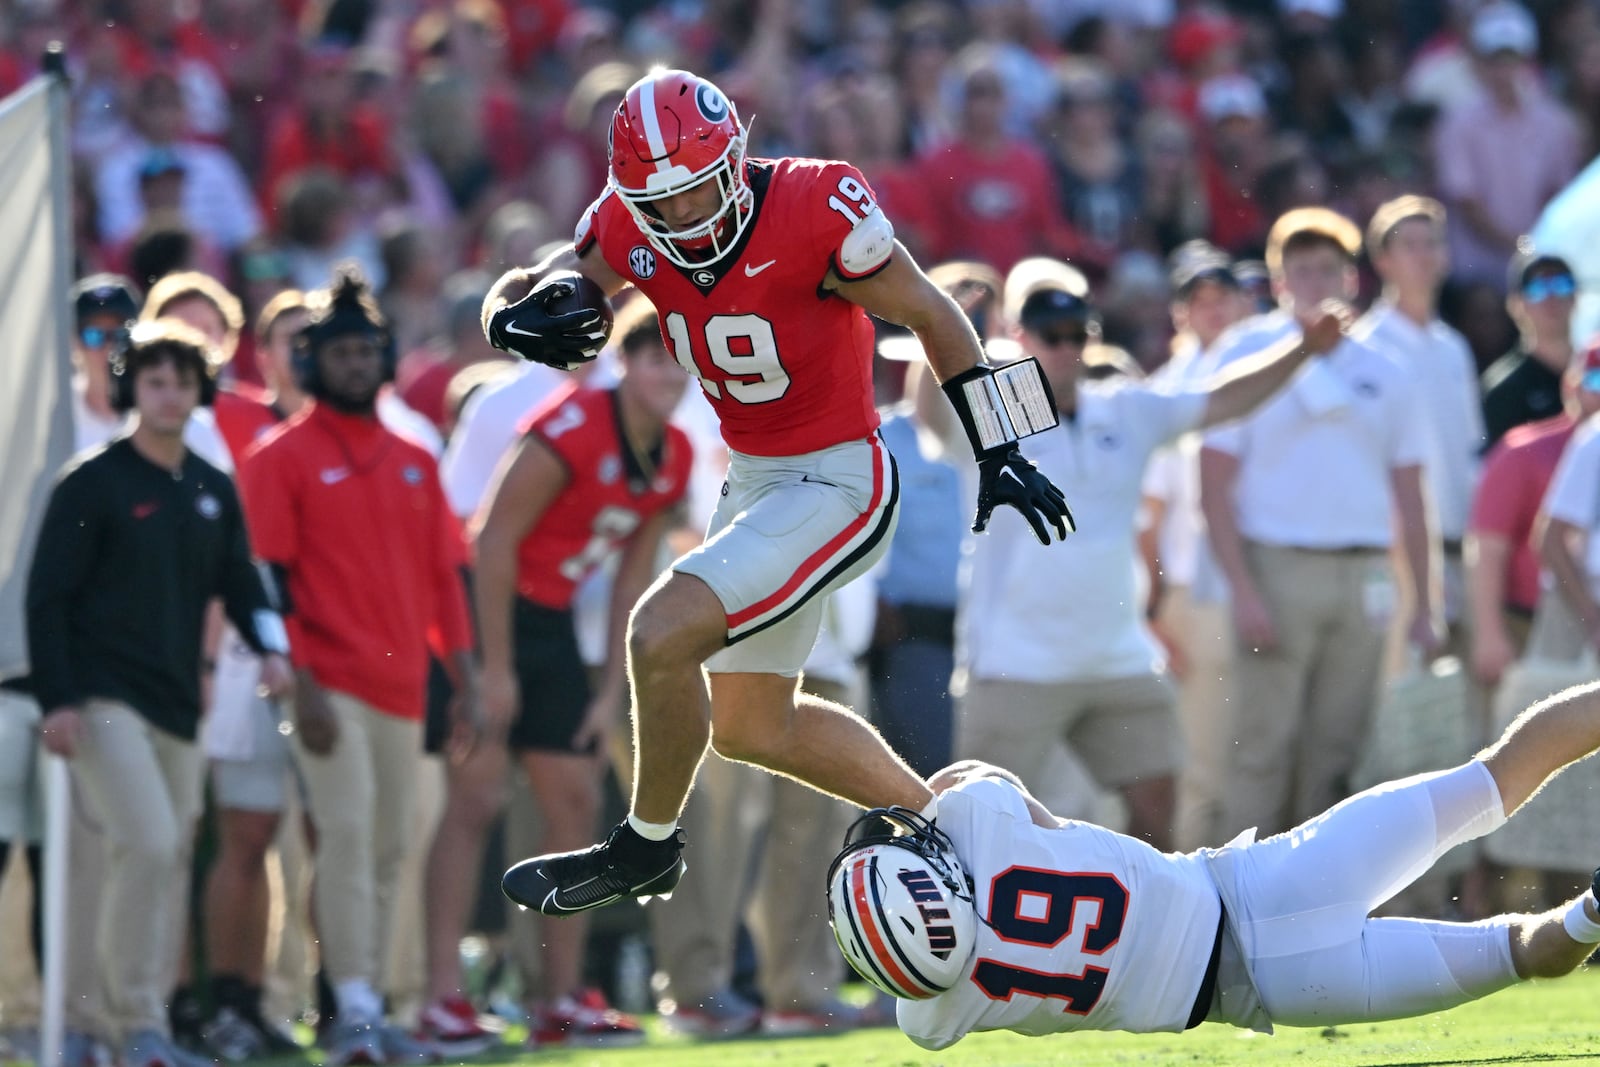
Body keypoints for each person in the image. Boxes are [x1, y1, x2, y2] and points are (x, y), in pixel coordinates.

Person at [488, 67, 1072, 916]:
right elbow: (544, 277)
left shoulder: (813, 202)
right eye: (663, 204)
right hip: (756, 478)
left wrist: (1002, 442)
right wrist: (507, 316)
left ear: (735, 159)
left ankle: (646, 846)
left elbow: (936, 312)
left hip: (841, 474)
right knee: (753, 726)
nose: (683, 216)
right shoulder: (627, 223)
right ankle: (953, 830)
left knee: (658, 632)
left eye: (696, 192)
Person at [828, 674, 1600, 1051]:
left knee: (1521, 952)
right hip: (1269, 879)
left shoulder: (932, 1013)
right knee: (1498, 775)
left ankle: (1591, 912)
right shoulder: (979, 823)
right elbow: (967, 784)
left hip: (1281, 989)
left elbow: (922, 981)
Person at [945, 257, 1349, 850]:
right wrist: (943, 322)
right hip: (1014, 662)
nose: (1062, 348)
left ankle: (1138, 939)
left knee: (1159, 815)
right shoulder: (998, 412)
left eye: (1073, 334)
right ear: (1018, 335)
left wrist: (1304, 351)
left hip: (1117, 655)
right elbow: (934, 410)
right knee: (976, 832)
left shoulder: (1125, 407)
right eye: (1047, 335)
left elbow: (1224, 400)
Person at [419, 300, 691, 1051]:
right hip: (487, 617)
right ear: (627, 362)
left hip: (556, 625)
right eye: (654, 356)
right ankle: (441, 991)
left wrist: (612, 690)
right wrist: (494, 669)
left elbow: (635, 573)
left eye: (679, 358)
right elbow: (493, 540)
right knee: (474, 798)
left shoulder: (674, 453)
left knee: (573, 799)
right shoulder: (572, 423)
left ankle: (557, 995)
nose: (669, 373)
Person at [27, 320, 292, 1067]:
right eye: (153, 381)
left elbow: (242, 581)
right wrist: (59, 699)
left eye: (181, 380)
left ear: (199, 388)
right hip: (104, 697)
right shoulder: (91, 480)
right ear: (129, 390)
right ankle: (130, 1023)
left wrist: (272, 647)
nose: (169, 395)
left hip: (180, 702)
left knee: (167, 854)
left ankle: (134, 1027)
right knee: (146, 842)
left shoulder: (210, 487)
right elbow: (46, 600)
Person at [237, 266, 475, 1067]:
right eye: (337, 353)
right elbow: (267, 578)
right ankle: (356, 1007)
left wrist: (467, 679)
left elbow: (446, 576)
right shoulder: (280, 455)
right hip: (328, 684)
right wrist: (298, 678)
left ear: (384, 356)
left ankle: (365, 998)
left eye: (364, 351)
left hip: (406, 685)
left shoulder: (413, 452)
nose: (353, 364)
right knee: (345, 834)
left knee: (388, 845)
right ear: (310, 364)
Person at [1200, 207, 1441, 840]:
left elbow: (1412, 493)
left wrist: (1425, 601)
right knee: (1263, 745)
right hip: (1276, 564)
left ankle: (1315, 910)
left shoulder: (1388, 369)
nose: (1314, 282)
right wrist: (1243, 588)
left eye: (1327, 269)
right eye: (1300, 270)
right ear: (1279, 282)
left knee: (1339, 750)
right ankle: (1241, 906)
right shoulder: (1247, 353)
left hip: (1364, 572)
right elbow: (1214, 481)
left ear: (1351, 278)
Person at [1482, 246, 1579, 449]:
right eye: (1537, 289)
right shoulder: (1503, 390)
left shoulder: (1591, 373)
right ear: (1516, 305)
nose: (1551, 298)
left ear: (1575, 298)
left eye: (1561, 285)